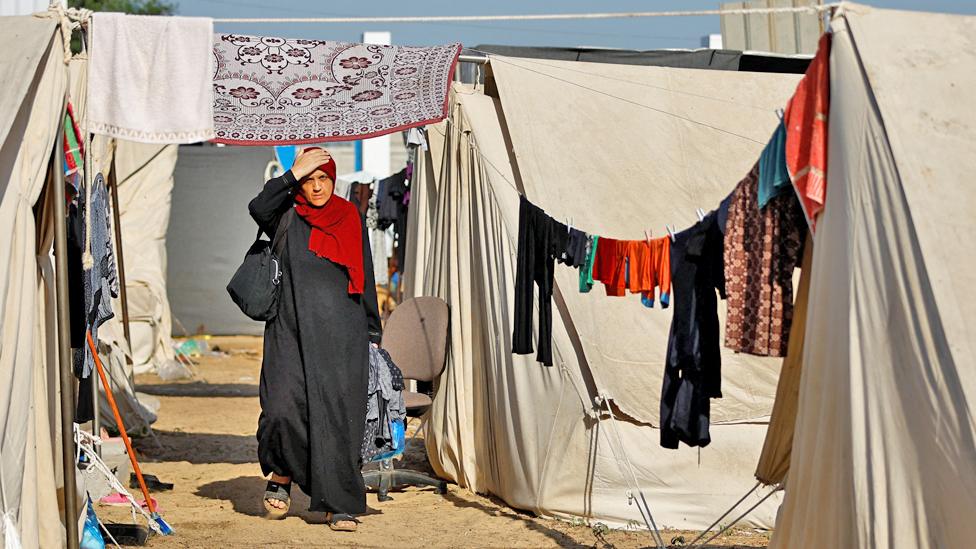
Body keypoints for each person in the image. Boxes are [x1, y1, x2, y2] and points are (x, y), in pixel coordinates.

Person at [248, 147, 382, 532]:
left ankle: (337, 501)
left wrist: (372, 329)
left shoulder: (349, 216)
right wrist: (294, 172)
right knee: (281, 408)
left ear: (333, 179)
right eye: (310, 180)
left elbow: (365, 273)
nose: (317, 186)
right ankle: (282, 475)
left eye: (323, 178)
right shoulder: (287, 215)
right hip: (288, 328)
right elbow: (259, 207)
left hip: (342, 334)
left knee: (337, 418)